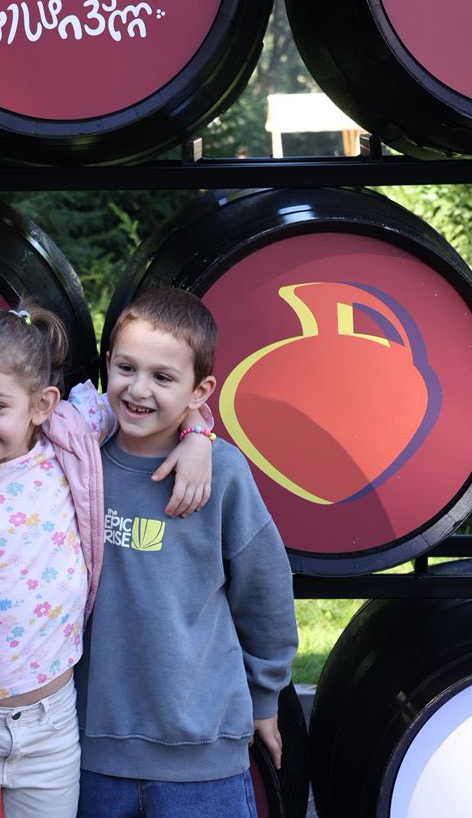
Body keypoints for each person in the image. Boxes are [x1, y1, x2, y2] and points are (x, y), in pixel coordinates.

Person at [0, 302, 213, 817]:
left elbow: (145, 402)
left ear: (42, 404)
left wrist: (198, 433)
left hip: (52, 727)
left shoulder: (71, 438)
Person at [76, 287, 299, 818]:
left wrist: (264, 697)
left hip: (201, 751)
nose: (139, 389)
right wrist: (198, 429)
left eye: (162, 377)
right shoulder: (75, 459)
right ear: (108, 365)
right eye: (126, 368)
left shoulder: (222, 473)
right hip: (88, 748)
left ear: (200, 390)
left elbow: (265, 592)